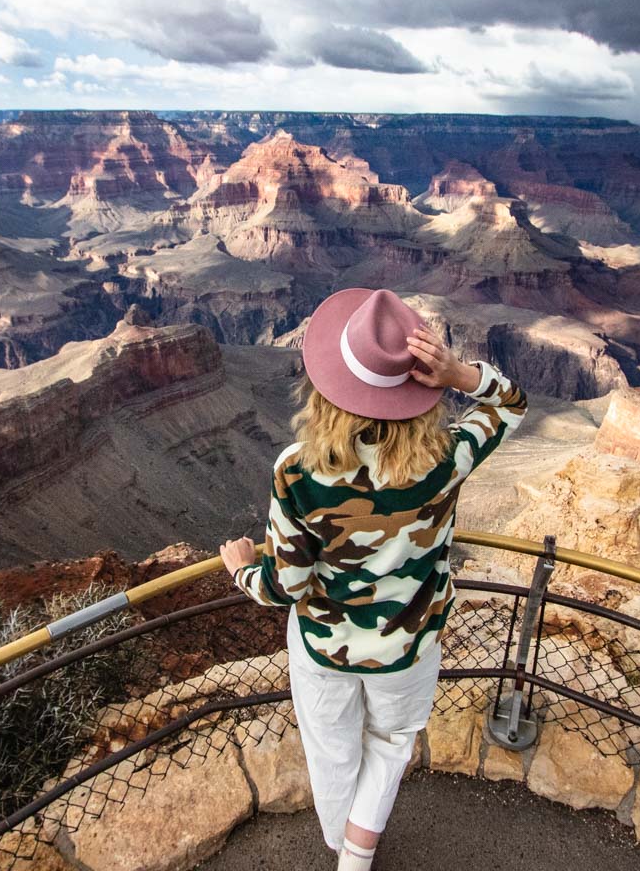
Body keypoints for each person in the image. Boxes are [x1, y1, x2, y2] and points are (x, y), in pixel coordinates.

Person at [219, 287, 527, 871]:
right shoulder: (446, 458)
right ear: (420, 390)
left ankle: (343, 850)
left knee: (332, 751)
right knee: (390, 743)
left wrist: (241, 574)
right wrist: (460, 373)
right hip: (410, 647)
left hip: (324, 648)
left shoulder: (298, 471)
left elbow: (286, 584)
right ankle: (357, 857)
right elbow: (511, 403)